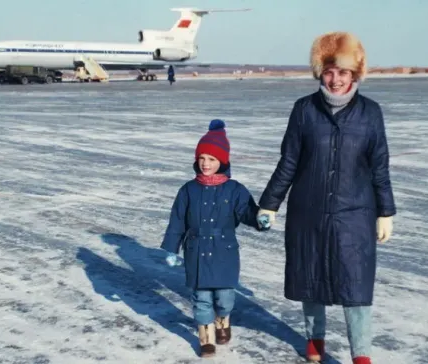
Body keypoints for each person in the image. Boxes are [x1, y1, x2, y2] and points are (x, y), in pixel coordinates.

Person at [256, 32, 396, 364]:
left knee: (357, 284)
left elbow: (380, 166)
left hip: (355, 214)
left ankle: (360, 354)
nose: (335, 80)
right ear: (320, 71)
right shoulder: (304, 110)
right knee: (311, 277)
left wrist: (385, 211)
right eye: (329, 71)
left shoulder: (370, 113)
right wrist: (270, 203)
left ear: (355, 74)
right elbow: (289, 161)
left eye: (343, 72)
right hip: (309, 210)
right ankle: (314, 341)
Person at [161, 119, 270, 358]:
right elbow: (177, 220)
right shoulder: (188, 190)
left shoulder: (235, 189)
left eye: (211, 159)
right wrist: (171, 249)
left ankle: (223, 320)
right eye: (202, 158)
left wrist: (260, 219)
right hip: (196, 250)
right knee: (201, 299)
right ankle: (206, 338)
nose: (205, 164)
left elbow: (246, 212)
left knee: (224, 298)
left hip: (224, 252)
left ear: (222, 161)